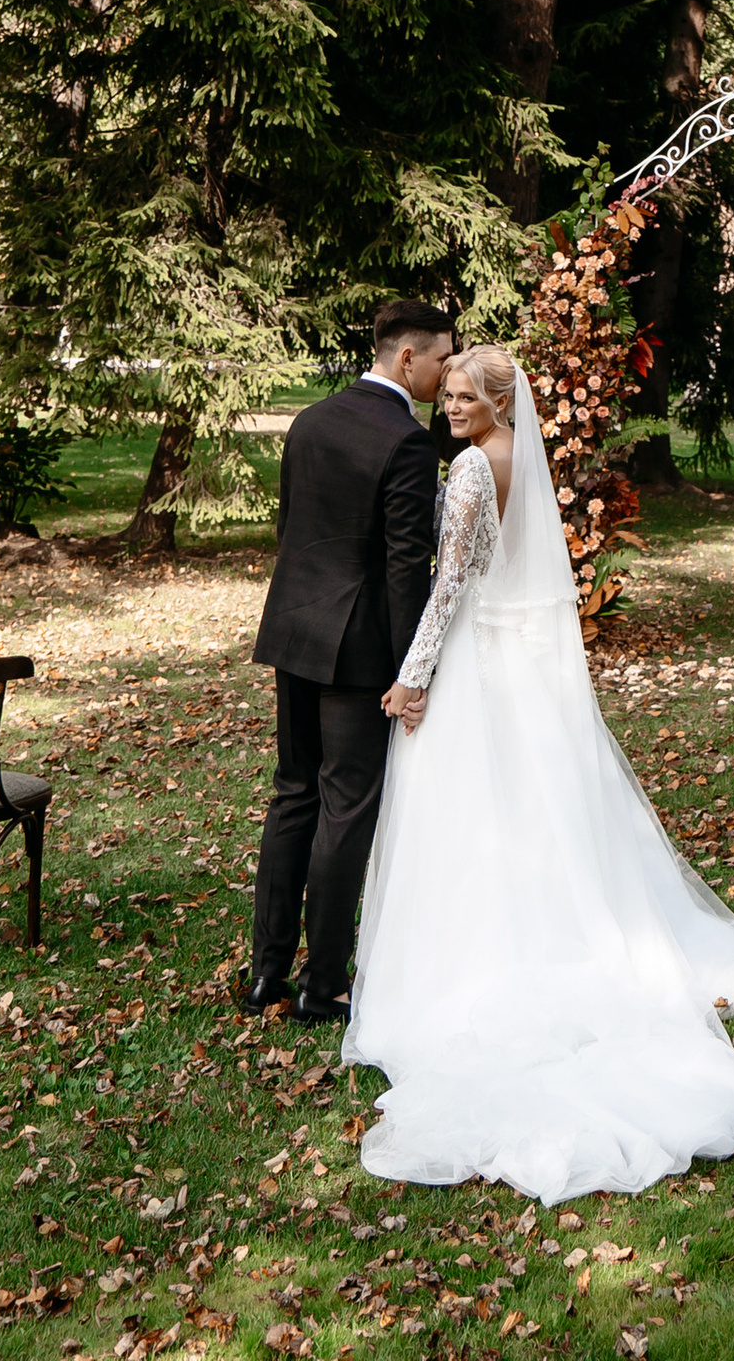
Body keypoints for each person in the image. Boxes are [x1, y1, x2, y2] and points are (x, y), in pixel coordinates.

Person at [345, 345, 734, 1200]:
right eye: (445, 395)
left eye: (463, 397)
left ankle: (474, 971)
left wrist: (413, 677)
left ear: (497, 402)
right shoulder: (518, 458)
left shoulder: (464, 473)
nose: (449, 408)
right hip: (522, 665)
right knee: (546, 811)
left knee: (470, 822)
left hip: (478, 666)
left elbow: (450, 586)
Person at [247, 297, 457, 1022]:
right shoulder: (404, 441)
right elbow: (407, 567)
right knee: (345, 807)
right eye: (439, 358)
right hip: (359, 649)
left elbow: (291, 527)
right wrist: (412, 671)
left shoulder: (311, 419)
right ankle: (322, 982)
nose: (444, 371)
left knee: (293, 796)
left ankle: (265, 972)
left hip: (293, 631)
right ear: (406, 357)